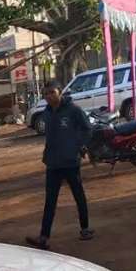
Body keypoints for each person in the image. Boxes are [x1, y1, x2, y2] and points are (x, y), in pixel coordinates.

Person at [26, 80, 94, 250]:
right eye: (46, 94)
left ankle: (85, 229)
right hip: (53, 163)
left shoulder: (73, 110)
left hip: (70, 162)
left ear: (60, 92)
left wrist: (79, 146)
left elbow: (87, 129)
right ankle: (44, 237)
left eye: (52, 92)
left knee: (79, 196)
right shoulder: (46, 113)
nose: (49, 96)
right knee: (50, 201)